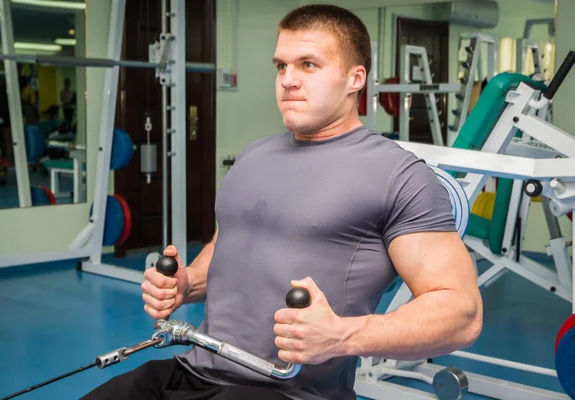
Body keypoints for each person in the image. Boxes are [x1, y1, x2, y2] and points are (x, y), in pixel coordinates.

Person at [82, 5, 482, 400]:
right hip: (195, 367)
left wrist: (342, 336)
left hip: (290, 391)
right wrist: (187, 284)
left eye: (308, 65)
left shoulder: (399, 175)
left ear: (355, 78)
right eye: (281, 66)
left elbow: (461, 312)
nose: (288, 80)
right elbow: (229, 246)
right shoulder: (252, 156)